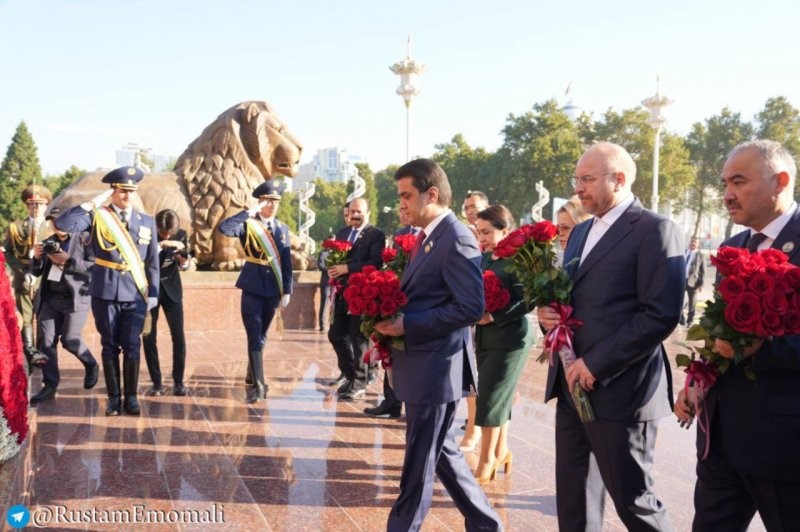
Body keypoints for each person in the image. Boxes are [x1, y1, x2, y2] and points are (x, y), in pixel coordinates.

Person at [537, 142, 682, 531]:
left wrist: (596, 364)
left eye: (586, 179)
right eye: (576, 179)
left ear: (618, 179)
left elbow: (660, 314)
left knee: (635, 504)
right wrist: (547, 316)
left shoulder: (655, 230)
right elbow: (569, 297)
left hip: (621, 391)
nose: (578, 187)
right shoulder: (582, 231)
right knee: (574, 499)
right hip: (571, 387)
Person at [674, 140, 800, 531]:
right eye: (725, 183)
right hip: (721, 440)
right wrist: (698, 379)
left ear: (780, 181)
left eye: (739, 182)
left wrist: (761, 349)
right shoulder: (731, 249)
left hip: (784, 445)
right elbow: (719, 333)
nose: (727, 194)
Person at [374, 158, 502, 531]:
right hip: (426, 367)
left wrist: (406, 324)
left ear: (431, 194)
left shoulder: (456, 236)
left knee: (418, 465)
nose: (401, 204)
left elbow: (469, 307)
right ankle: (486, 524)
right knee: (443, 453)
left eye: (406, 196)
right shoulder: (430, 236)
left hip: (436, 370)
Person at [57, 166, 160, 416]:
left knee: (132, 345)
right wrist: (93, 203)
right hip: (105, 292)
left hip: (135, 293)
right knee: (109, 345)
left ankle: (131, 398)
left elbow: (152, 262)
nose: (127, 196)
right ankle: (114, 399)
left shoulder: (147, 221)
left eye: (131, 191)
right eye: (122, 191)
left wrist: (154, 292)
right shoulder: (97, 216)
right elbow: (64, 223)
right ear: (112, 191)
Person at [471, 204, 534, 484]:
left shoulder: (519, 260)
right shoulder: (484, 259)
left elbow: (527, 299)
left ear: (505, 231)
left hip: (510, 340)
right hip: (485, 336)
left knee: (490, 396)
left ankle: (486, 462)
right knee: (497, 395)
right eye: (478, 232)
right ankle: (502, 450)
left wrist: (493, 315)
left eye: (487, 232)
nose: (481, 237)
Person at [218, 180, 293, 403]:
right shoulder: (248, 224)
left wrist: (287, 289)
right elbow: (225, 228)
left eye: (276, 201)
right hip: (252, 286)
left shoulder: (283, 229)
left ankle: (252, 375)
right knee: (253, 333)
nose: (272, 205)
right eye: (268, 201)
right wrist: (248, 212)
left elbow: (286, 262)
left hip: (273, 289)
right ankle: (260, 385)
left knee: (261, 336)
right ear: (260, 202)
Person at [28, 209, 99, 404]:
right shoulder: (48, 242)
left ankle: (91, 363)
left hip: (75, 298)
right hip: (51, 299)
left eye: (60, 221)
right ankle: (50, 384)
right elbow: (36, 272)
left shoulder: (85, 239)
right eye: (53, 222)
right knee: (46, 343)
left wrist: (69, 260)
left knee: (70, 340)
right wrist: (36, 258)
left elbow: (95, 267)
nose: (57, 226)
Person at [327, 197, 385, 401]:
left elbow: (376, 262)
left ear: (368, 212)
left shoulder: (375, 234)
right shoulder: (343, 233)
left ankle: (360, 383)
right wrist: (333, 268)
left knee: (359, 338)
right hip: (342, 292)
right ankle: (352, 375)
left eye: (359, 211)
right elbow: (335, 257)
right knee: (335, 334)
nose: (355, 214)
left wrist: (347, 268)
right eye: (352, 211)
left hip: (362, 293)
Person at [363, 210, 415, 419]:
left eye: (407, 208)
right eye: (401, 210)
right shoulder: (400, 233)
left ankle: (412, 403)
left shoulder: (431, 234)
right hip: (397, 296)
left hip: (418, 303)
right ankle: (391, 402)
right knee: (390, 349)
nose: (404, 213)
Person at [142, 209, 190, 397]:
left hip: (172, 291)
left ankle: (178, 381)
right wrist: (158, 245)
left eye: (170, 232)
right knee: (148, 336)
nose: (168, 235)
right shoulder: (146, 233)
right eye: (164, 232)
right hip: (149, 290)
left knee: (178, 336)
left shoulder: (181, 235)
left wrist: (182, 259)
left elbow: (185, 265)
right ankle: (156, 382)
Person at [4, 184, 51, 370]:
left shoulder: (52, 227)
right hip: (23, 278)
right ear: (26, 206)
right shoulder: (16, 227)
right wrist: (21, 273)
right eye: (32, 204)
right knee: (26, 317)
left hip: (46, 279)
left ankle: (44, 353)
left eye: (40, 203)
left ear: (46, 205)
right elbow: (7, 252)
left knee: (44, 319)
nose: (36, 207)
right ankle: (31, 355)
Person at [555, 195, 591, 261]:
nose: (560, 233)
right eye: (558, 228)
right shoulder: (556, 261)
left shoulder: (592, 261)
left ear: (583, 228)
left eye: (566, 228)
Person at [680, 236, 705, 326]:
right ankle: (681, 318)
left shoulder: (700, 255)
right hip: (681, 280)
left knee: (692, 303)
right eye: (692, 241)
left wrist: (701, 284)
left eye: (695, 242)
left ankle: (690, 320)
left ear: (698, 244)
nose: (693, 243)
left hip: (693, 282)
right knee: (679, 301)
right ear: (689, 242)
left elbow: (703, 271)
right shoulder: (683, 252)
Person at [316, 236, 332, 332]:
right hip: (326, 282)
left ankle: (332, 324)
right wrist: (330, 270)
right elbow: (320, 265)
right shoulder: (323, 253)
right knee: (324, 303)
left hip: (335, 284)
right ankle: (322, 324)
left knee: (334, 304)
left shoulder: (338, 254)